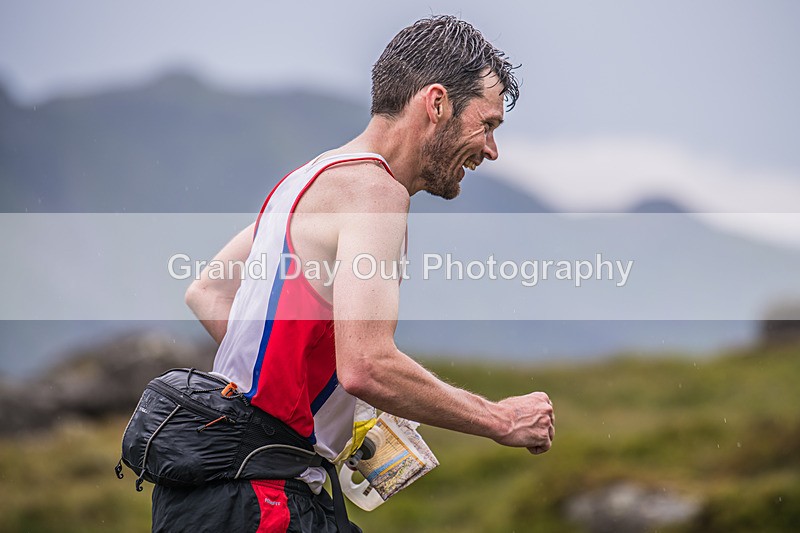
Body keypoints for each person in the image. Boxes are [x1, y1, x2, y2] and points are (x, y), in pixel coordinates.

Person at [153, 14, 555, 533]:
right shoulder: (376, 193)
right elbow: (366, 365)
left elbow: (207, 292)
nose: (491, 149)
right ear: (436, 104)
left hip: (217, 486)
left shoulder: (308, 180)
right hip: (264, 496)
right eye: (488, 124)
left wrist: (303, 398)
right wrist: (500, 419)